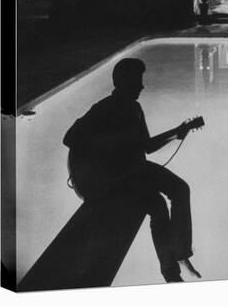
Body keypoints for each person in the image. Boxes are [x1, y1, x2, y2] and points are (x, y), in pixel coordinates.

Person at [63, 58, 201, 283]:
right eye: (137, 81)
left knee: (169, 196)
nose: (142, 86)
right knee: (167, 197)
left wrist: (178, 132)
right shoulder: (104, 108)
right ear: (123, 82)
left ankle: (175, 263)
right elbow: (69, 138)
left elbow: (146, 146)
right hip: (108, 178)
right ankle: (175, 263)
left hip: (129, 172)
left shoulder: (135, 108)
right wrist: (111, 144)